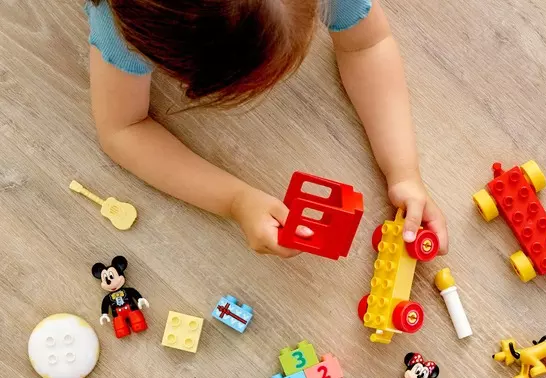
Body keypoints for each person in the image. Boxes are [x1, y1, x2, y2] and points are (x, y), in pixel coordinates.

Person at [86, 0, 448, 257]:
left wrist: (403, 171)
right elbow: (123, 130)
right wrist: (234, 199)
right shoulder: (120, 29)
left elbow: (367, 45)